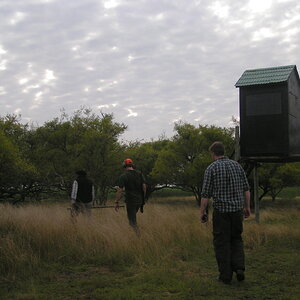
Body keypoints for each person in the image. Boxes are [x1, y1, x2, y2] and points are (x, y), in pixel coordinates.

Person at [200, 141, 251, 285]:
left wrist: (202, 212)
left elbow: (205, 195)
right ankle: (239, 268)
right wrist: (247, 208)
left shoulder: (211, 168)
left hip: (221, 212)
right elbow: (246, 189)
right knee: (236, 239)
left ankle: (225, 276)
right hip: (236, 212)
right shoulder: (237, 166)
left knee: (222, 243)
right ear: (223, 151)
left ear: (213, 153)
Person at [115, 158, 147, 232]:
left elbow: (120, 190)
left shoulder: (123, 176)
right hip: (139, 201)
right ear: (132, 165)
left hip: (131, 201)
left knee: (132, 222)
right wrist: (143, 198)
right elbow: (144, 187)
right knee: (132, 218)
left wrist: (116, 201)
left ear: (124, 166)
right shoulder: (140, 174)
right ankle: (133, 234)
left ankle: (138, 236)